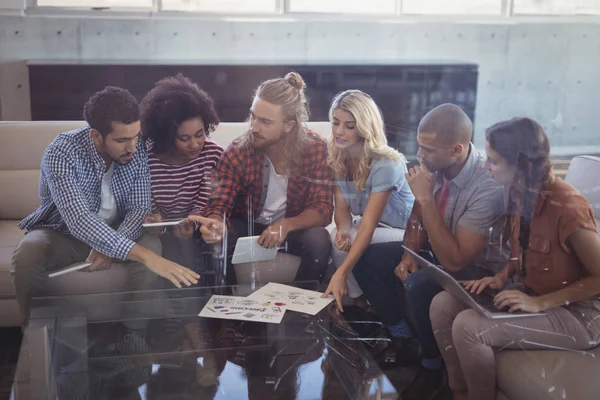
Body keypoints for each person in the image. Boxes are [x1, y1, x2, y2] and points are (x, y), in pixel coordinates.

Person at [430, 117, 600, 400]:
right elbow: (524, 248)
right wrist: (503, 275)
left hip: (579, 315)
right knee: (443, 304)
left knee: (469, 327)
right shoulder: (517, 192)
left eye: (493, 161)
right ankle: (457, 391)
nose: (485, 165)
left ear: (521, 165)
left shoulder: (568, 206)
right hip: (534, 292)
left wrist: (539, 303)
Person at [350, 103, 506, 400]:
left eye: (428, 150)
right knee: (365, 257)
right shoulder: (437, 165)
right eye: (418, 146)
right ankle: (402, 337)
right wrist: (410, 252)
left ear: (456, 150)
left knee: (420, 285)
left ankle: (431, 368)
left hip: (479, 268)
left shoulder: (486, 186)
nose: (419, 155)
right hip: (441, 251)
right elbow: (417, 216)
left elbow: (456, 260)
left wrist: (426, 197)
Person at [11, 86, 200, 322]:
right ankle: (38, 339)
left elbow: (138, 209)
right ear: (96, 136)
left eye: (135, 136)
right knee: (29, 252)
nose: (132, 147)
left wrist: (111, 246)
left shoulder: (137, 148)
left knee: (151, 243)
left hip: (119, 230)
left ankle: (135, 336)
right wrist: (141, 256)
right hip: (65, 235)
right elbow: (78, 219)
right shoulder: (61, 153)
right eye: (121, 140)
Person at [199, 72, 333, 283]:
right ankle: (224, 308)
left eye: (265, 121)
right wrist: (214, 224)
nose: (253, 127)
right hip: (249, 228)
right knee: (218, 239)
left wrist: (285, 225)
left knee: (319, 239)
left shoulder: (317, 149)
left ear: (289, 125)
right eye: (253, 116)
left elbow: (322, 209)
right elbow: (219, 204)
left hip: (290, 230)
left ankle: (300, 308)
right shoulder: (237, 151)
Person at [322, 90, 414, 311]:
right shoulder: (339, 156)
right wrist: (343, 229)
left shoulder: (385, 163)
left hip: (405, 232)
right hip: (376, 227)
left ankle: (361, 300)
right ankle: (360, 302)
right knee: (338, 236)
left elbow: (368, 225)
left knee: (353, 239)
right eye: (335, 123)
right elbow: (342, 209)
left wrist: (341, 272)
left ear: (364, 128)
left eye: (349, 126)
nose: (339, 131)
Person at [140, 74, 223, 275]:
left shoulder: (213, 154)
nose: (194, 144)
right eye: (184, 138)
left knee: (195, 246)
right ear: (166, 136)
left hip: (196, 229)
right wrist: (155, 223)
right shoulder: (145, 158)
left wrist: (192, 222)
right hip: (160, 232)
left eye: (200, 134)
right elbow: (146, 203)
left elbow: (207, 199)